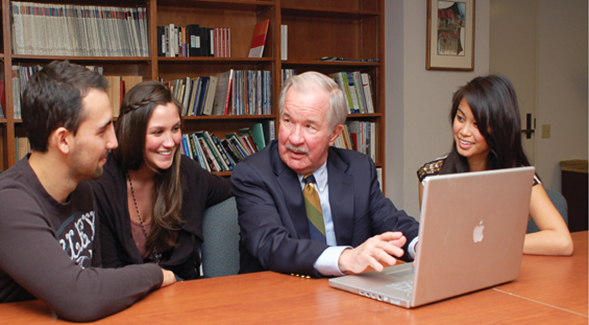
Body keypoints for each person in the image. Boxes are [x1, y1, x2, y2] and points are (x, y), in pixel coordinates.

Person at [0, 60, 176, 322]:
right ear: (63, 140)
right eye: (102, 130)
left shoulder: (84, 188)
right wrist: (159, 274)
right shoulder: (9, 203)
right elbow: (81, 296)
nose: (114, 142)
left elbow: (99, 282)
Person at [231, 71, 420, 278]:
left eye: (309, 126)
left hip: (348, 296)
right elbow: (270, 244)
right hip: (278, 296)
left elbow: (393, 223)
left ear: (334, 134)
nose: (294, 138)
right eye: (287, 121)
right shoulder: (253, 174)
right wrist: (345, 258)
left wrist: (421, 247)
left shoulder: (358, 169)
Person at [416, 75, 573, 256]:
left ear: (498, 129)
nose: (464, 131)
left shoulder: (519, 177)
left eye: (477, 124)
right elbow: (435, 245)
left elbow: (563, 241)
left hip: (504, 273)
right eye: (460, 118)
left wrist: (492, 244)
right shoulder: (432, 176)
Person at [90, 80, 232, 280]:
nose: (170, 142)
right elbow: (109, 275)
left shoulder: (188, 173)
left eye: (175, 129)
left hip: (185, 294)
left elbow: (235, 188)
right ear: (133, 133)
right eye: (158, 132)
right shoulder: (101, 184)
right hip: (126, 298)